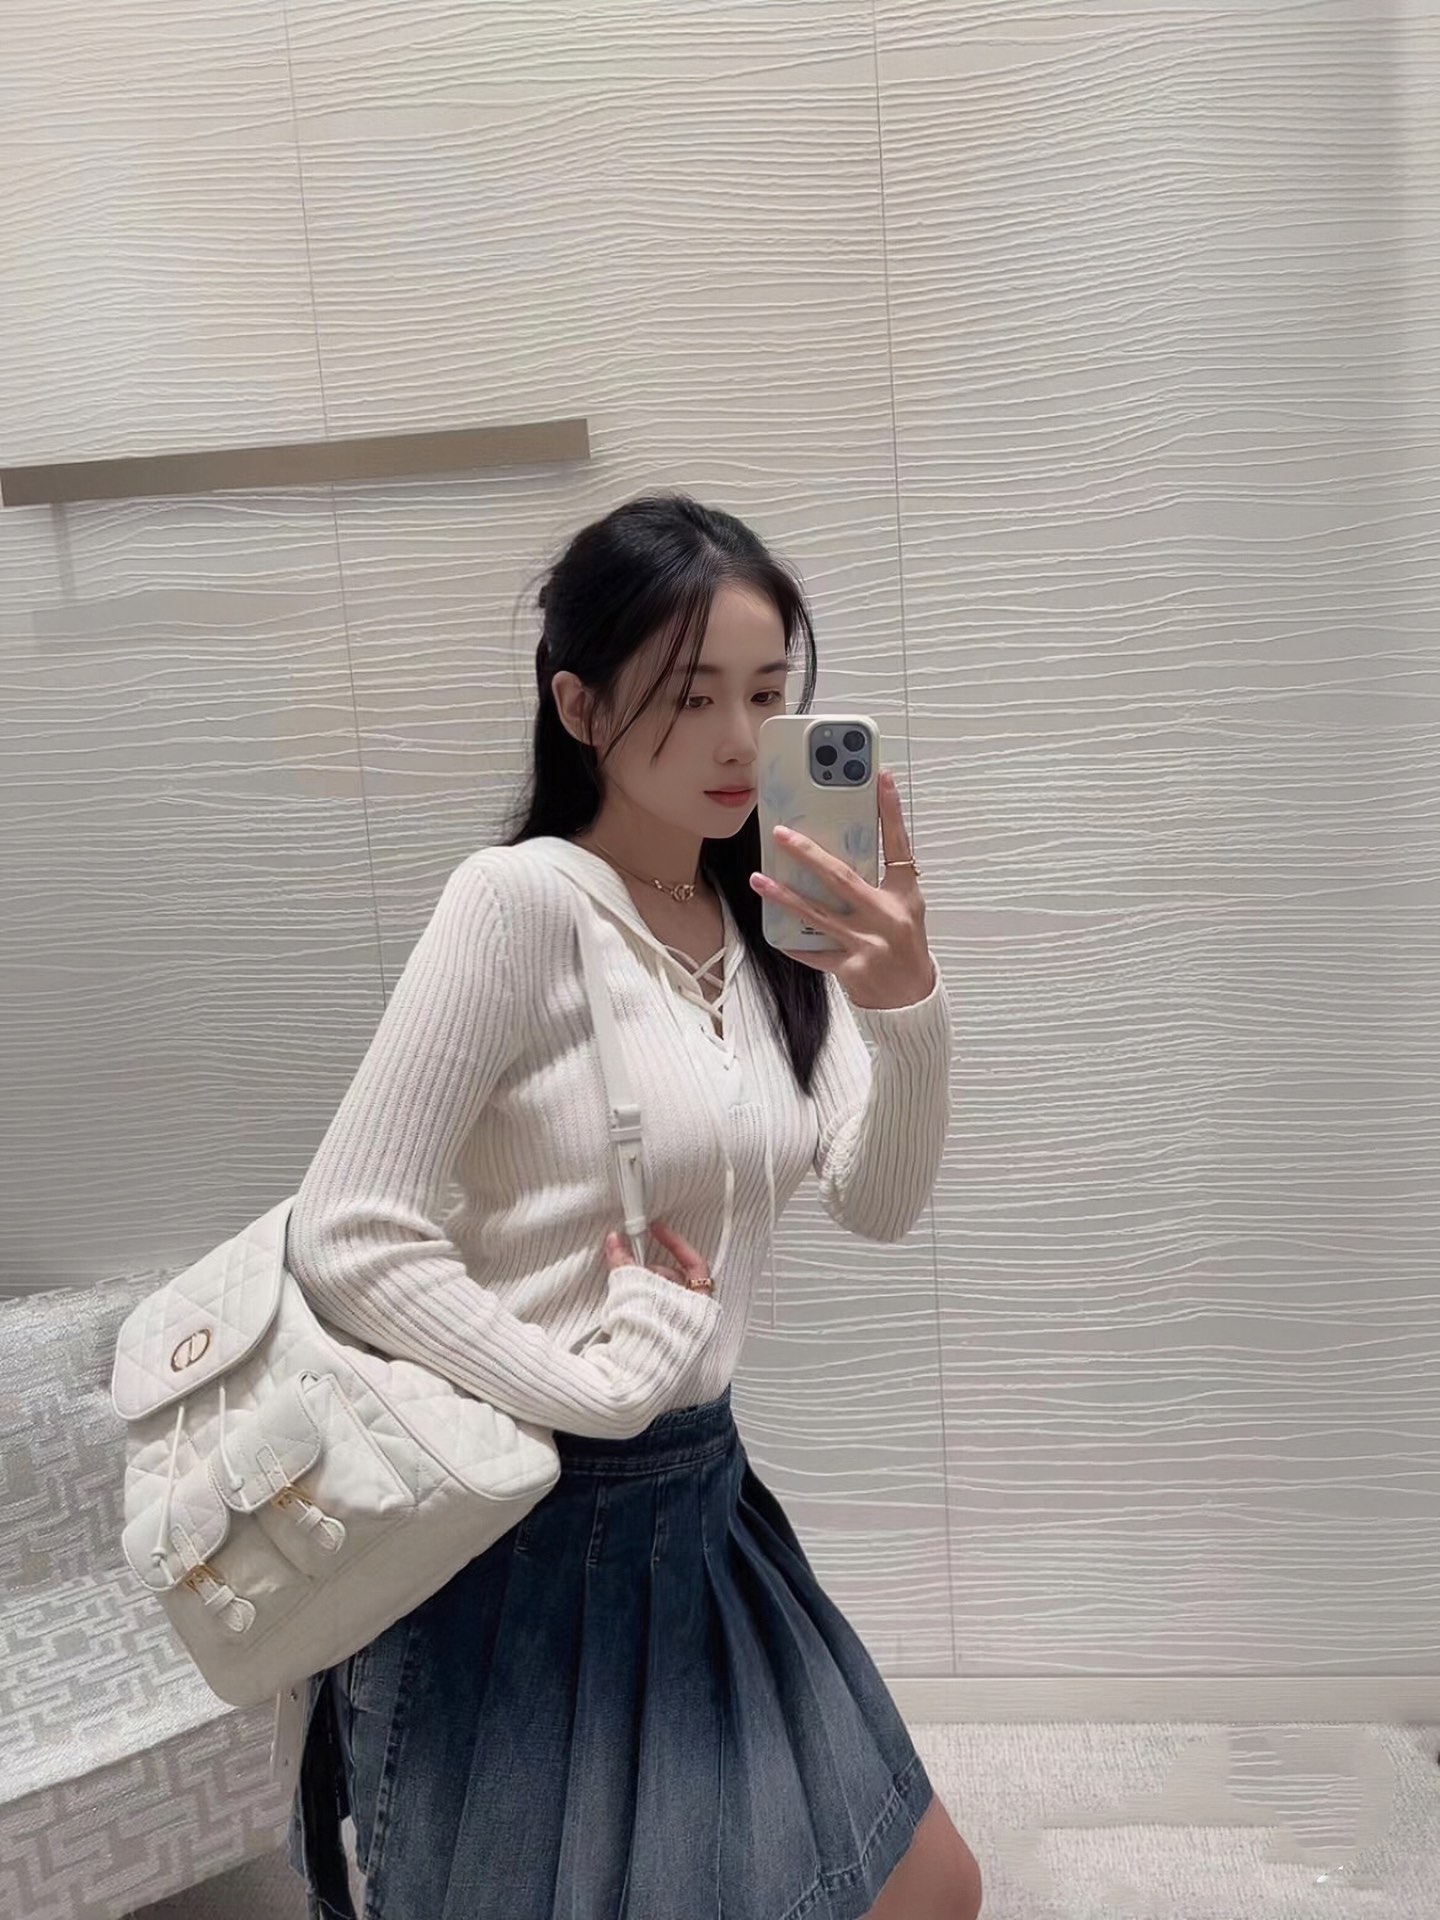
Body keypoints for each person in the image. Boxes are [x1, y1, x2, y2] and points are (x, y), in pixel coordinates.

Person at [283, 492, 981, 1918]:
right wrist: (586, 1393)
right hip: (526, 1535)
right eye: (688, 693)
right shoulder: (518, 904)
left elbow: (878, 1196)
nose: (738, 739)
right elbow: (346, 1231)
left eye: (767, 695)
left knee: (926, 1886)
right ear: (582, 706)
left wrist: (905, 1005)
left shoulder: (771, 930)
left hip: (706, 1502)